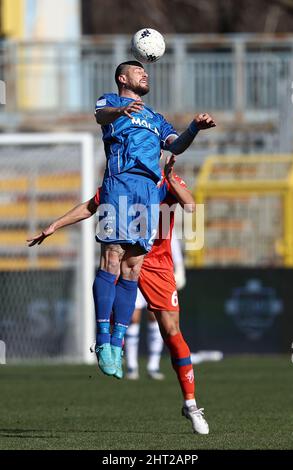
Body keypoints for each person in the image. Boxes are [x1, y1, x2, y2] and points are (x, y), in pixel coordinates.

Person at [27, 156, 210, 434]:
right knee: (117, 293)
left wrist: (172, 180)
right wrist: (55, 225)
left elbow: (191, 206)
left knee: (172, 332)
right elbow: (91, 205)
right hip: (129, 258)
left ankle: (190, 404)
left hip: (158, 264)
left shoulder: (165, 180)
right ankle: (111, 347)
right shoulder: (122, 181)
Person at [91, 59, 215, 380]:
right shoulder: (111, 101)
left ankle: (117, 345)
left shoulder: (155, 118)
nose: (145, 73)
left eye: (145, 71)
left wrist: (193, 129)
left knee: (133, 267)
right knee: (112, 260)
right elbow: (100, 115)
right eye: (137, 71)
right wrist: (121, 111)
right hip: (120, 183)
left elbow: (176, 145)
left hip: (148, 193)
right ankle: (103, 341)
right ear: (123, 77)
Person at [125, 235, 186, 381]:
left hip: (158, 276)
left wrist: (180, 271)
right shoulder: (138, 224)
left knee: (156, 318)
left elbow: (175, 254)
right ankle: (131, 366)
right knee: (133, 318)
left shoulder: (166, 226)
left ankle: (153, 365)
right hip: (137, 273)